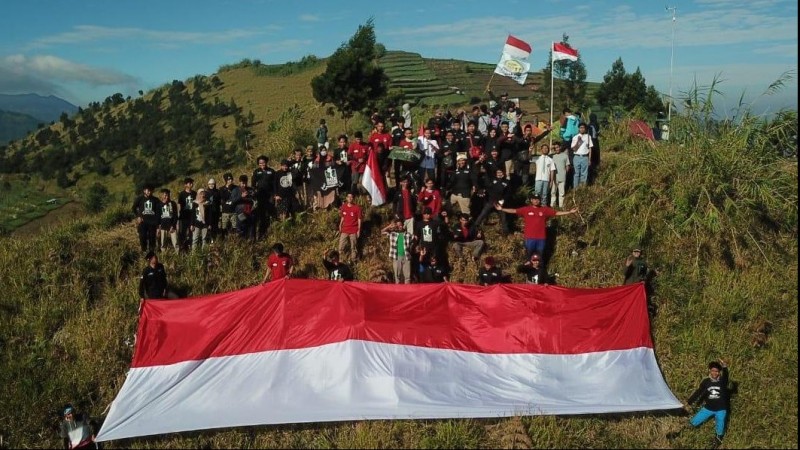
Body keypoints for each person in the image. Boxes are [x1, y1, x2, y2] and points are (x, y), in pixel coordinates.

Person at [495, 192, 579, 260]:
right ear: (531, 200)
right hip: (530, 238)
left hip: (541, 238)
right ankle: (529, 274)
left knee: (540, 257)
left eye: (537, 199)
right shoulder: (526, 209)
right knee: (529, 256)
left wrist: (569, 212)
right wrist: (502, 209)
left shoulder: (544, 209)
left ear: (540, 200)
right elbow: (513, 210)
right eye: (534, 199)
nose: (536, 201)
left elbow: (556, 213)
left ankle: (539, 275)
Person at [668, 359, 731, 449]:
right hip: (708, 408)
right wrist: (689, 401)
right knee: (694, 421)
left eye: (716, 371)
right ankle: (678, 434)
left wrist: (724, 366)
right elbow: (698, 392)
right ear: (710, 371)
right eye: (713, 370)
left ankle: (717, 441)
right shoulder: (706, 381)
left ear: (719, 372)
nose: (714, 373)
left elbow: (726, 377)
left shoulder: (722, 381)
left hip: (721, 409)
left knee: (720, 425)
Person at [382, 217, 413, 284]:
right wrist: (389, 226)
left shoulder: (408, 234)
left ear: (403, 225)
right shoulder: (392, 234)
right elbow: (382, 232)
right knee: (397, 275)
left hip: (406, 256)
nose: (399, 227)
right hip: (396, 256)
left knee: (407, 276)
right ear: (396, 226)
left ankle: (407, 291)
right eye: (398, 225)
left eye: (400, 225)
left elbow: (414, 239)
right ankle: (398, 290)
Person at [252, 155, 276, 239]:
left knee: (270, 212)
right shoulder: (256, 172)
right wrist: (254, 193)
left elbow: (275, 184)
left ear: (266, 162)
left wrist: (275, 194)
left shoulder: (271, 171)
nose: (262, 164)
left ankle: (272, 230)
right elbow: (253, 184)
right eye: (260, 163)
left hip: (270, 195)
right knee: (261, 214)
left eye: (263, 162)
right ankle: (262, 233)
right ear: (258, 164)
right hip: (260, 196)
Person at [132, 184, 159, 253]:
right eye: (148, 190)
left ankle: (151, 252)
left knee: (152, 238)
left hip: (152, 222)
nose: (149, 192)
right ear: (144, 191)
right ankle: (143, 251)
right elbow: (133, 208)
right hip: (143, 222)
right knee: (142, 237)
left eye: (151, 190)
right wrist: (138, 216)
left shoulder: (155, 200)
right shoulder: (140, 199)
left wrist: (158, 223)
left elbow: (158, 211)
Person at [338, 192, 362, 262]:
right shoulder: (343, 207)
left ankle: (353, 261)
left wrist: (359, 230)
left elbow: (359, 219)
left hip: (353, 230)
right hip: (345, 229)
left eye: (351, 197)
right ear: (346, 198)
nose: (350, 198)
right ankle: (341, 261)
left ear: (353, 198)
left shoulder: (357, 208)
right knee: (341, 247)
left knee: (353, 247)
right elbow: (343, 217)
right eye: (348, 197)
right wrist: (340, 225)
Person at [570, 123, 593, 189]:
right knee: (576, 174)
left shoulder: (588, 137)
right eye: (580, 127)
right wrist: (578, 142)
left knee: (584, 174)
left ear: (585, 129)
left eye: (583, 127)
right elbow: (573, 149)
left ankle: (582, 189)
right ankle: (575, 189)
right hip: (577, 157)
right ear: (579, 128)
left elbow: (590, 148)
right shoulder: (575, 137)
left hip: (585, 157)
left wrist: (589, 159)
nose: (582, 129)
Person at [549, 143, 571, 209]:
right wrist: (551, 148)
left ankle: (561, 207)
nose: (556, 149)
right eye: (555, 148)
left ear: (560, 147)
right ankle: (552, 206)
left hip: (562, 177)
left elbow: (567, 166)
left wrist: (565, 173)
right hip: (554, 178)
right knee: (553, 192)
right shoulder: (552, 156)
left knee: (562, 193)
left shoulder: (565, 156)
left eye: (557, 147)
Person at [177, 178, 196, 249]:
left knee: (192, 232)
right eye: (189, 183)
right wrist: (179, 216)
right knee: (182, 232)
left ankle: (191, 246)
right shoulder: (181, 194)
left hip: (192, 216)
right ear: (185, 185)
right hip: (184, 216)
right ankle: (182, 246)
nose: (191, 184)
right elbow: (179, 205)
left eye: (192, 183)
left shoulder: (194, 193)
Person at [219, 173, 239, 239]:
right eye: (228, 179)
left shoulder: (236, 188)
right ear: (225, 180)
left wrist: (232, 200)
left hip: (234, 211)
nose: (230, 181)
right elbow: (223, 198)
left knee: (235, 227)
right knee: (224, 228)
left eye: (231, 179)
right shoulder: (221, 189)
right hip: (225, 211)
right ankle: (223, 241)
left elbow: (238, 197)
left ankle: (234, 240)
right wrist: (228, 189)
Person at [205, 178, 221, 243]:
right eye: (210, 184)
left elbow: (220, 202)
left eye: (213, 184)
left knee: (215, 226)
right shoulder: (206, 192)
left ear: (215, 184)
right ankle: (208, 240)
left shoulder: (217, 192)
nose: (211, 185)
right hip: (208, 213)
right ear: (208, 185)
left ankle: (214, 240)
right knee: (208, 227)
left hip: (216, 212)